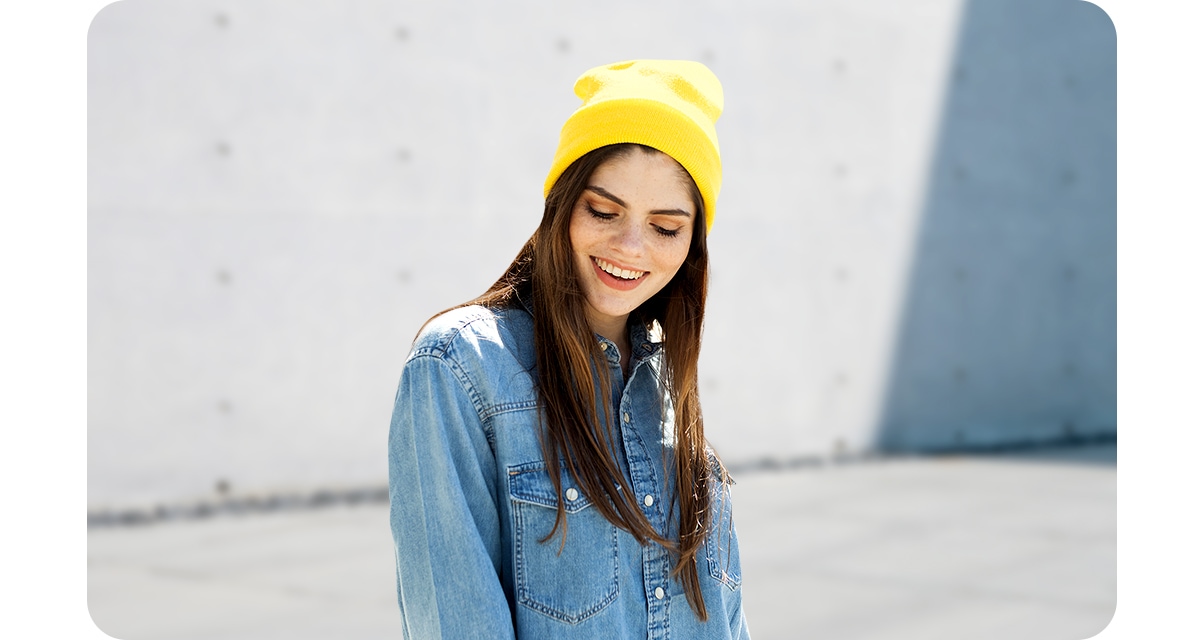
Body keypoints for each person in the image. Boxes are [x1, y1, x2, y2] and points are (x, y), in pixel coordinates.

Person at [388, 59, 749, 639]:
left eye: (665, 227)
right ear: (561, 206)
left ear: (691, 246)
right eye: (603, 211)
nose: (630, 246)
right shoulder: (461, 366)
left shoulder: (669, 392)